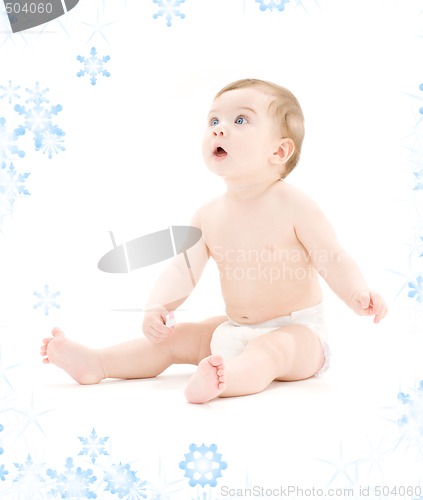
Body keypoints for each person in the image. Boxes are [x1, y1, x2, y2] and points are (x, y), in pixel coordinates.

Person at [40, 78, 388, 404]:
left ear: (279, 152)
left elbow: (333, 258)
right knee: (174, 340)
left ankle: (225, 380)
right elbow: (183, 269)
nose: (219, 128)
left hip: (299, 335)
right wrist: (158, 306)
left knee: (270, 352)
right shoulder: (209, 215)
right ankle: (98, 363)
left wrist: (358, 293)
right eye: (213, 121)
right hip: (234, 327)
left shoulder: (295, 206)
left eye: (240, 120)